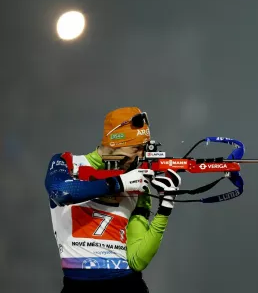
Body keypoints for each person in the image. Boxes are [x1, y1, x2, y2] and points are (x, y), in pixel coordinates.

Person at [44, 107, 180, 293]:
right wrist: (118, 183)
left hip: (127, 284)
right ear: (115, 143)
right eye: (136, 148)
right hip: (77, 285)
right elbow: (61, 192)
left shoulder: (138, 184)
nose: (141, 156)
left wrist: (165, 206)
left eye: (144, 148)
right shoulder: (67, 162)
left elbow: (137, 260)